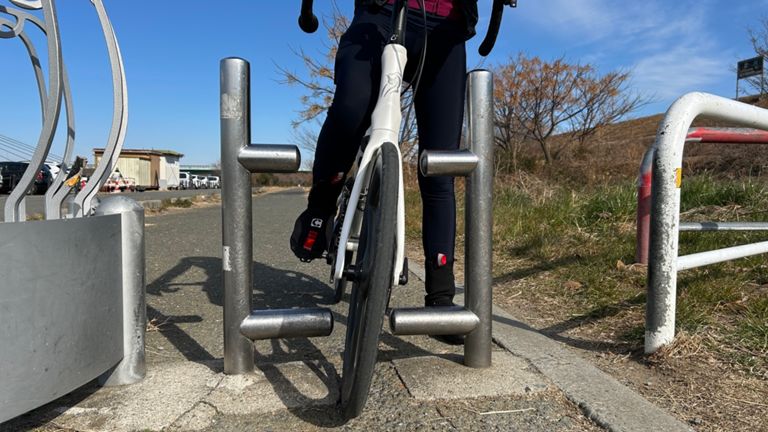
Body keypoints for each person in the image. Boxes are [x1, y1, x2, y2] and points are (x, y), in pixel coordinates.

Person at [290, 0, 484, 343]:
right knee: (350, 110)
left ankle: (440, 295)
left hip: (446, 30)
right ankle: (320, 210)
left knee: (440, 166)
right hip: (380, 14)